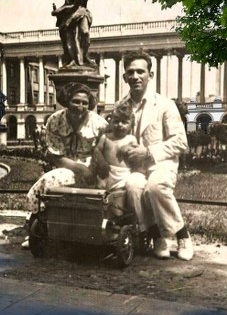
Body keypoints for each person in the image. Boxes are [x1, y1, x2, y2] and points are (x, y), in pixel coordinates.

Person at [117, 51, 192, 261]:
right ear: (124, 77)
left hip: (161, 163)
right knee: (133, 187)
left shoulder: (165, 104)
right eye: (130, 72)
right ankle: (156, 235)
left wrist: (149, 152)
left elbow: (181, 141)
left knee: (155, 187)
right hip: (134, 168)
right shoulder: (120, 107)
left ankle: (182, 235)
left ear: (150, 74)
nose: (135, 76)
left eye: (141, 71)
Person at [22, 83, 108, 247]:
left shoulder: (99, 123)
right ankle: (36, 226)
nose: (80, 107)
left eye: (85, 103)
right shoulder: (55, 120)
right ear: (67, 101)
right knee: (48, 182)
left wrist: (95, 169)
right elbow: (55, 156)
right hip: (66, 166)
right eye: (76, 101)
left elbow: (105, 152)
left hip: (94, 167)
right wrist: (81, 169)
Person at [91, 102, 140, 219]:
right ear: (111, 122)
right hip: (106, 173)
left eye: (124, 122)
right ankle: (102, 219)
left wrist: (130, 150)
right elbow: (97, 150)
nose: (119, 125)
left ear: (131, 124)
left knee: (118, 199)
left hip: (122, 175)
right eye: (116, 121)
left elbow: (137, 157)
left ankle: (118, 220)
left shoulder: (131, 139)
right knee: (101, 195)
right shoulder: (106, 137)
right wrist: (101, 161)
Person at [51, 0, 93, 67]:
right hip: (70, 12)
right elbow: (67, 3)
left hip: (81, 10)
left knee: (85, 32)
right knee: (69, 36)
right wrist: (57, 11)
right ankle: (72, 59)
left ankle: (84, 57)